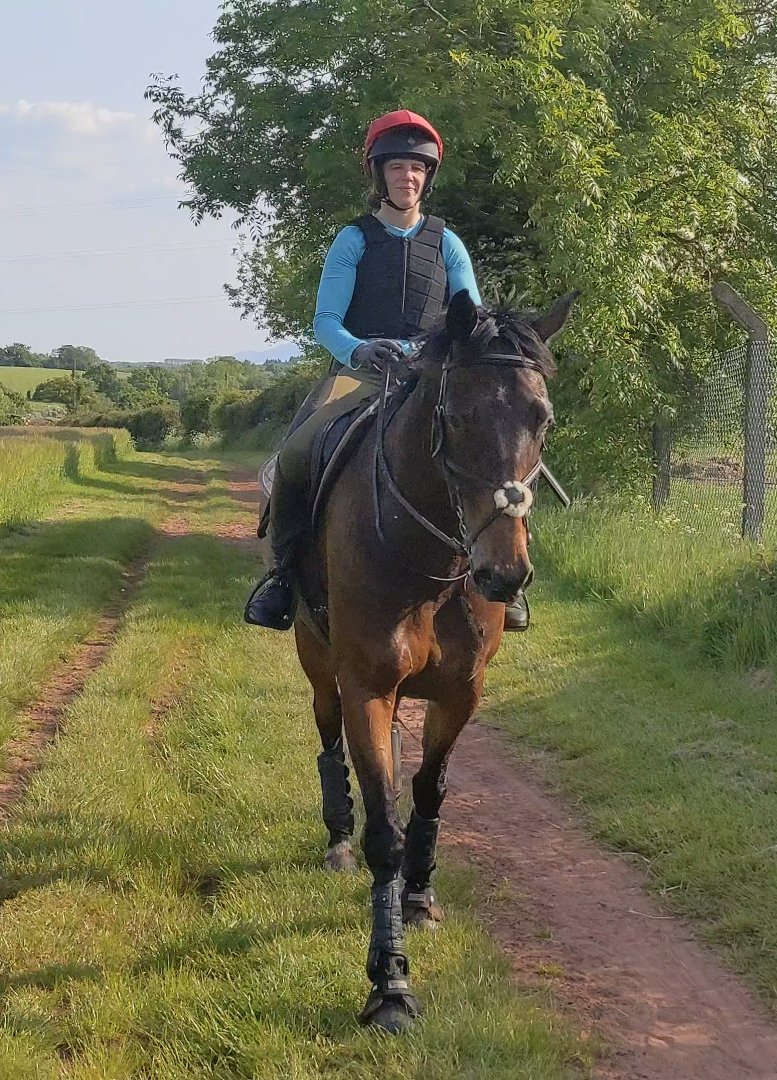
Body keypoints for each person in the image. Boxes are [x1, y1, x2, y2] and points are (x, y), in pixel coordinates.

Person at [244, 109, 530, 632]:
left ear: (428, 177)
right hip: (362, 375)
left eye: (418, 169)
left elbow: (474, 321)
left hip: (430, 374)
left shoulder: (448, 243)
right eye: (397, 167)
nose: (408, 177)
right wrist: (358, 350)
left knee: (499, 455)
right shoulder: (352, 241)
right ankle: (282, 578)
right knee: (297, 453)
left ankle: (505, 583)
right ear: (380, 175)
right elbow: (325, 321)